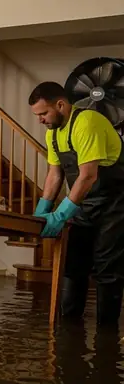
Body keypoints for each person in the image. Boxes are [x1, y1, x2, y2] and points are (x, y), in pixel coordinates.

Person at [28, 81, 124, 327]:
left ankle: (107, 335)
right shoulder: (53, 133)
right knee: (73, 266)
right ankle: (69, 332)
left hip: (115, 204)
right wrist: (42, 210)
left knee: (106, 269)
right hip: (84, 204)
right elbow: (55, 174)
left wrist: (62, 214)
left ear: (60, 105)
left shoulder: (87, 122)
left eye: (43, 113)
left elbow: (88, 175)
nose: (40, 120)